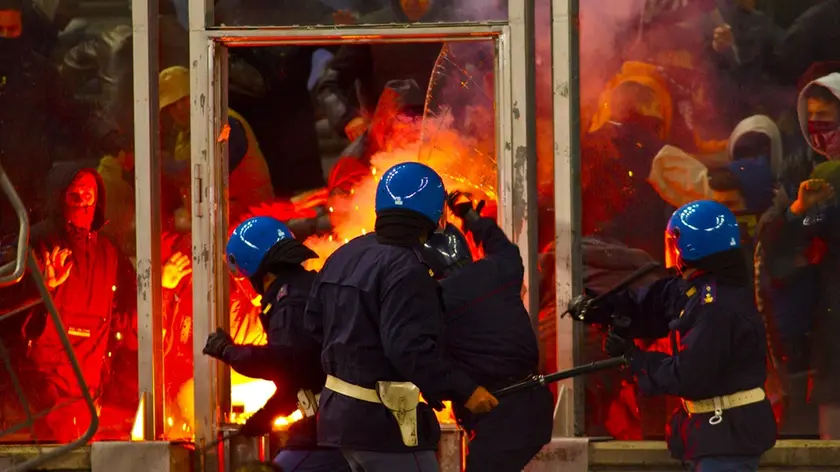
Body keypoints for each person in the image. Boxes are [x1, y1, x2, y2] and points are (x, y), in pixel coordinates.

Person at [305, 161, 498, 472]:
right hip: (385, 428)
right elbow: (409, 348)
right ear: (434, 213)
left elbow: (314, 325)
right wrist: (465, 390)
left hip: (340, 424)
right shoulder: (407, 268)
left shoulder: (344, 255)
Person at [568, 200, 776, 472]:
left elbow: (690, 375)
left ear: (688, 245)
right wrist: (602, 309)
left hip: (726, 440)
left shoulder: (716, 307)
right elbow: (651, 304)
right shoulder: (698, 287)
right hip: (710, 435)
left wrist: (635, 358)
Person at [0, 163, 136, 442]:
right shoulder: (34, 242)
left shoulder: (108, 253)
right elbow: (7, 307)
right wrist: (41, 288)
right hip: (38, 401)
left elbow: (119, 320)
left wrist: (164, 289)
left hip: (87, 399)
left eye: (89, 195)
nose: (83, 202)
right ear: (58, 196)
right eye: (75, 195)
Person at [202, 216, 350, 471]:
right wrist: (263, 418)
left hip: (335, 430)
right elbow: (301, 375)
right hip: (343, 422)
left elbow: (284, 363)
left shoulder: (289, 301)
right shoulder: (307, 287)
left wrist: (228, 351)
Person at [421, 193, 553, 472]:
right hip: (535, 406)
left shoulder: (435, 299)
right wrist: (471, 216)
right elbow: (501, 245)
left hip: (497, 413)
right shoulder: (500, 269)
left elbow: (424, 356)